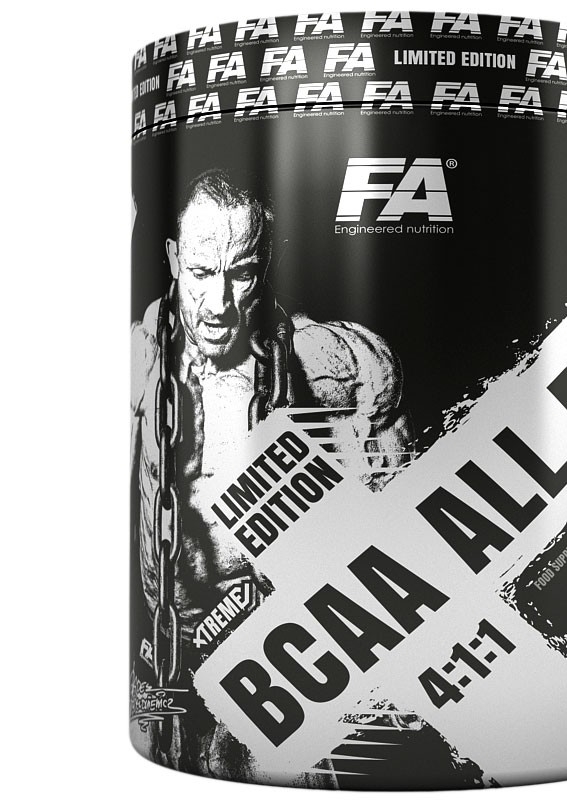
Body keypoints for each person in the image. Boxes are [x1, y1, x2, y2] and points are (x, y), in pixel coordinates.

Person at [130, 168, 419, 782]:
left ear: (267, 264)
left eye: (241, 273)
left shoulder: (345, 369)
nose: (219, 304)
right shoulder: (139, 359)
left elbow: (405, 551)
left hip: (292, 667)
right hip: (171, 670)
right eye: (201, 272)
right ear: (174, 259)